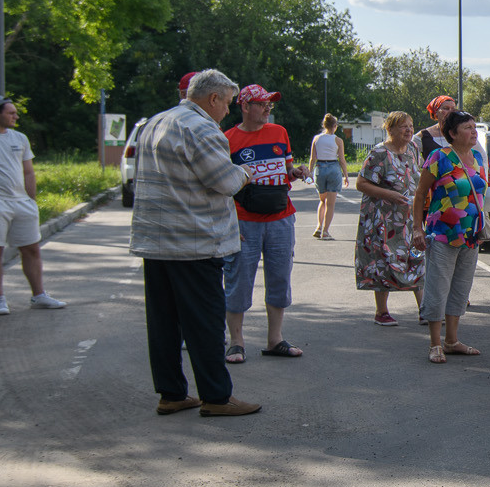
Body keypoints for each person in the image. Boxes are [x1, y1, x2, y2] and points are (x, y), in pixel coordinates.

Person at [129, 69, 259, 417]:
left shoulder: (157, 121)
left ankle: (171, 393)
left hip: (155, 238)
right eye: (228, 103)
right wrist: (246, 173)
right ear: (212, 98)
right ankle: (216, 396)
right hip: (194, 239)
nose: (228, 112)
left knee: (163, 322)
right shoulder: (201, 127)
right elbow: (224, 180)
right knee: (204, 321)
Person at [0, 94, 63, 314]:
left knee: (32, 249)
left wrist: (31, 201)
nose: (16, 116)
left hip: (21, 203)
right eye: (11, 112)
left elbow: (28, 171)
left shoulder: (20, 138)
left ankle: (39, 295)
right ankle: (0, 299)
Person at [222, 84, 303, 362]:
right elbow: (223, 186)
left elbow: (286, 171)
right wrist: (231, 223)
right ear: (245, 107)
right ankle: (236, 341)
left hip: (281, 219)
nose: (268, 107)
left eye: (271, 103)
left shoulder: (278, 132)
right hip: (245, 222)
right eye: (262, 103)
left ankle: (275, 339)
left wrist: (296, 172)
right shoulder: (228, 139)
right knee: (239, 280)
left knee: (280, 278)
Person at [411, 108, 489, 365]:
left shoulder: (477, 157)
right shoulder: (438, 157)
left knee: (460, 288)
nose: (473, 131)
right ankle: (435, 344)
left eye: (474, 126)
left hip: (471, 234)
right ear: (452, 134)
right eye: (467, 128)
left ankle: (452, 340)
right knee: (438, 287)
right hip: (443, 234)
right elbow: (420, 194)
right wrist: (417, 228)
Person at [354, 111, 421, 324]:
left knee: (416, 258)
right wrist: (389, 194)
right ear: (390, 129)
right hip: (382, 218)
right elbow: (361, 184)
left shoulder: (413, 149)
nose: (408, 130)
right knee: (384, 259)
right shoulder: (379, 153)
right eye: (403, 126)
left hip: (409, 217)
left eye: (410, 126)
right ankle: (381, 311)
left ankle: (426, 309)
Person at [310, 115, 347, 240]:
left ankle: (319, 227)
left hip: (320, 167)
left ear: (324, 125)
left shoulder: (317, 138)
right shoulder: (338, 140)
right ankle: (325, 231)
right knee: (330, 203)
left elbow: (312, 158)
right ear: (335, 126)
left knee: (322, 200)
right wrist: (346, 175)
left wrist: (309, 173)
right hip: (333, 168)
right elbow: (341, 159)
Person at [417, 94, 456, 160]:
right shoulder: (424, 135)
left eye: (453, 109)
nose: (450, 112)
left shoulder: (462, 132)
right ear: (436, 112)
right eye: (446, 108)